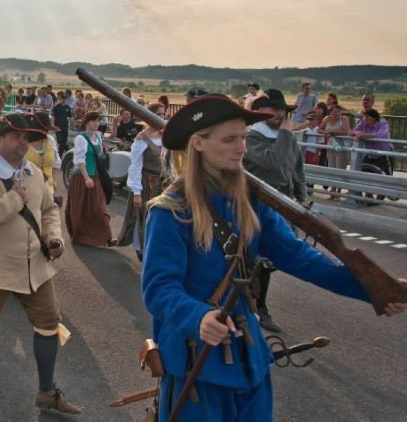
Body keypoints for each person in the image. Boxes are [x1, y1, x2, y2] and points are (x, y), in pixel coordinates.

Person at [142, 94, 405, 422]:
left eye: (242, 138)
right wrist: (197, 317)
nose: (241, 148)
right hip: (197, 359)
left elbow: (302, 257)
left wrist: (375, 289)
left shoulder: (249, 204)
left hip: (249, 357)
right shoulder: (171, 212)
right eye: (229, 139)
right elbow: (159, 289)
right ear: (198, 143)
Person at [0, 113, 81, 414]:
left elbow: (48, 209)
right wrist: (13, 200)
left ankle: (47, 392)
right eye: (16, 136)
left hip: (33, 264)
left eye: (27, 137)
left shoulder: (34, 172)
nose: (22, 142)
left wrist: (53, 238)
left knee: (49, 324)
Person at [243, 88, 306, 333]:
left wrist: (302, 198)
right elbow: (272, 161)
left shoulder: (285, 137)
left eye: (282, 110)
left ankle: (259, 306)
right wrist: (287, 136)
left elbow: (295, 169)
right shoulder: (252, 137)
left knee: (268, 261)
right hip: (255, 203)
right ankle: (252, 306)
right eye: (274, 110)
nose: (280, 114)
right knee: (250, 258)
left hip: (282, 201)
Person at [121, 102, 167, 258]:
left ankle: (155, 248)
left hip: (163, 184)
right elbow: (135, 166)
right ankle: (141, 249)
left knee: (161, 218)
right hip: (146, 183)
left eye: (163, 114)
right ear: (150, 117)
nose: (162, 117)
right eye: (159, 114)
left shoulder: (165, 136)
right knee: (143, 218)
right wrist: (136, 192)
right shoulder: (141, 138)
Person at [65, 110, 113, 246]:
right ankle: (81, 237)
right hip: (82, 177)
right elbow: (79, 161)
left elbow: (98, 154)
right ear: (86, 123)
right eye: (93, 121)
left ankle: (107, 237)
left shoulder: (98, 136)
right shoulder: (81, 138)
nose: (96, 123)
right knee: (81, 208)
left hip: (95, 176)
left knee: (100, 206)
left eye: (98, 121)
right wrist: (86, 178)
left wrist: (104, 149)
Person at [351, 108, 393, 175]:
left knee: (384, 176)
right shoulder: (363, 122)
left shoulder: (383, 124)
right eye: (364, 117)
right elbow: (351, 132)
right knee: (364, 173)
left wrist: (362, 135)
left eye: (367, 116)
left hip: (382, 155)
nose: (365, 118)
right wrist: (358, 133)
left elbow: (379, 135)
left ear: (374, 118)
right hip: (369, 154)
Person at [51, 93, 70, 158]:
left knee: (63, 142)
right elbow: (53, 116)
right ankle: (67, 149)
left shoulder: (68, 107)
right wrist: (52, 126)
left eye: (64, 99)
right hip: (58, 126)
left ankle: (60, 156)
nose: (63, 100)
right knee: (60, 141)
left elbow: (71, 117)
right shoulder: (56, 107)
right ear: (60, 99)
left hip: (65, 126)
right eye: (62, 99)